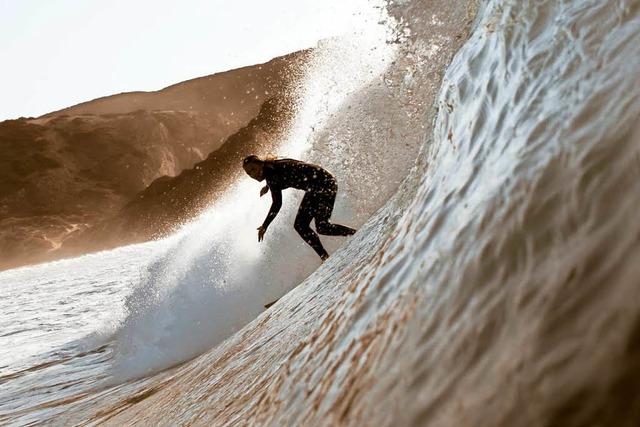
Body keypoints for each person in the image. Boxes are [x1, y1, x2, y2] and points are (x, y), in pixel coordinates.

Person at [242, 155, 356, 261]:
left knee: (303, 225)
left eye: (253, 169)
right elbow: (290, 169)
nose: (253, 174)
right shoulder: (274, 166)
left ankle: (325, 256)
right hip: (325, 181)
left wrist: (264, 226)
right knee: (321, 226)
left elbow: (277, 204)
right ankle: (353, 235)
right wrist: (268, 186)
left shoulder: (272, 176)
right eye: (249, 173)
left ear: (261, 164)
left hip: (322, 185)